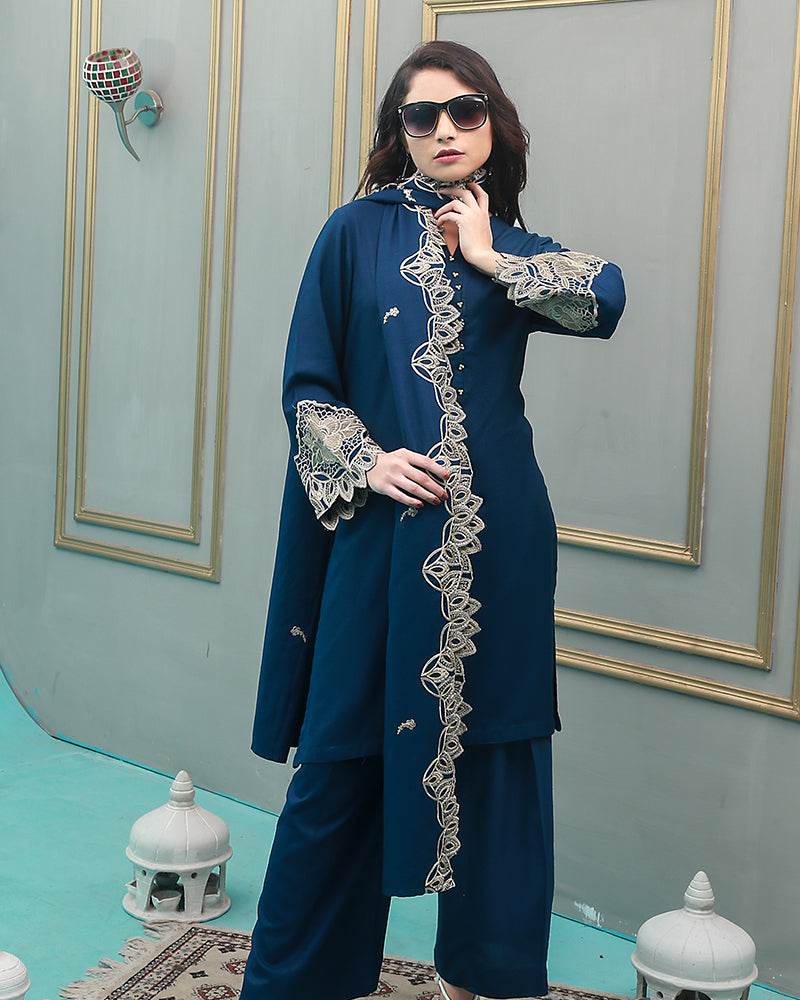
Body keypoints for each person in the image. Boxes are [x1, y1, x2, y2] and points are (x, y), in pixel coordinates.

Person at [242, 40, 625, 1000]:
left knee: (499, 753)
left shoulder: (514, 247)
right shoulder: (353, 234)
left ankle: (489, 979)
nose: (446, 129)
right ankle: (300, 984)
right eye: (423, 115)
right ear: (399, 132)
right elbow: (307, 385)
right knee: (341, 758)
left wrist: (489, 256)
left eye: (466, 111)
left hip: (498, 549)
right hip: (382, 541)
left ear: (493, 123)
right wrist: (368, 461)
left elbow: (605, 300)